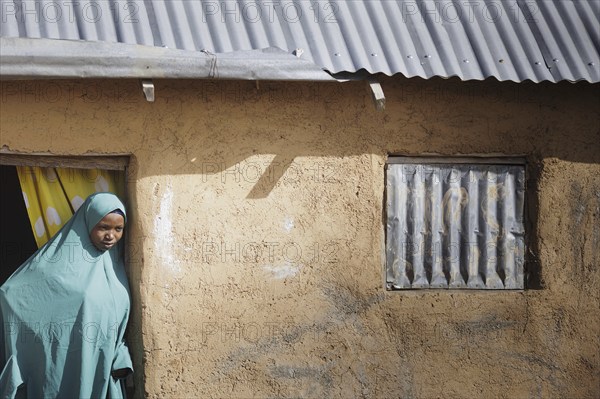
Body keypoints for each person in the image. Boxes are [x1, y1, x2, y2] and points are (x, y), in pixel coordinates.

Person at [0, 192, 133, 398]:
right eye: (103, 227)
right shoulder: (60, 260)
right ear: (88, 223)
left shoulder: (116, 265)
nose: (110, 236)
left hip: (100, 361)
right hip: (64, 363)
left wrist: (119, 352)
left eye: (118, 229)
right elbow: (14, 293)